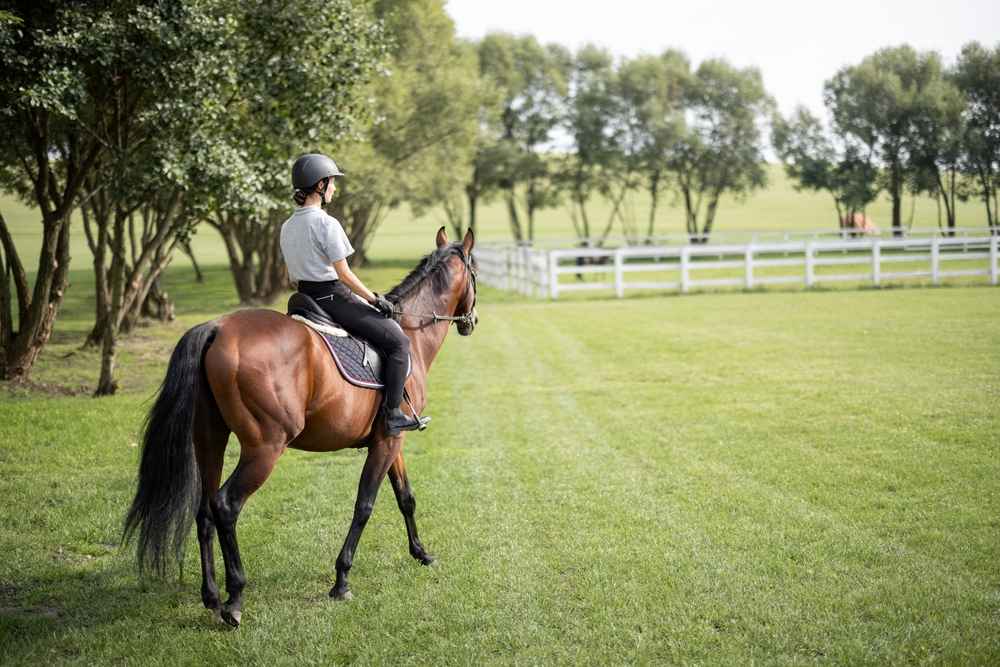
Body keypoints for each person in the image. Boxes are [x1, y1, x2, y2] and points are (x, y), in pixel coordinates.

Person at [280, 153, 425, 436]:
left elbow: (290, 277)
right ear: (320, 185)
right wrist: (374, 299)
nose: (335, 188)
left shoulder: (287, 226)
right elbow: (344, 274)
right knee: (398, 342)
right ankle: (393, 414)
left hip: (304, 299)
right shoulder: (326, 223)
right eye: (332, 182)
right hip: (334, 299)